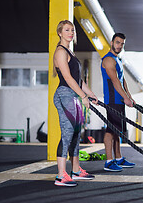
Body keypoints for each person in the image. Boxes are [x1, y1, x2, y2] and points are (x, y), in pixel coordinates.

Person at [53, 20, 98, 186]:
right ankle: (60, 176)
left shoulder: (70, 52)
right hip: (65, 95)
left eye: (72, 30)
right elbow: (68, 78)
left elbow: (79, 80)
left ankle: (76, 170)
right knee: (67, 134)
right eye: (67, 30)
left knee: (76, 134)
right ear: (60, 33)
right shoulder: (60, 52)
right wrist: (83, 97)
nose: (70, 33)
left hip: (74, 96)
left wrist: (91, 95)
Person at [101, 33, 136, 171]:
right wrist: (125, 98)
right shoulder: (108, 60)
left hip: (119, 99)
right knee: (111, 130)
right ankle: (109, 161)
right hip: (112, 100)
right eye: (117, 43)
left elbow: (122, 80)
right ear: (111, 42)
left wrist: (129, 96)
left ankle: (118, 158)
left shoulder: (117, 59)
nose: (119, 46)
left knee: (117, 130)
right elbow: (115, 82)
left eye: (122, 44)